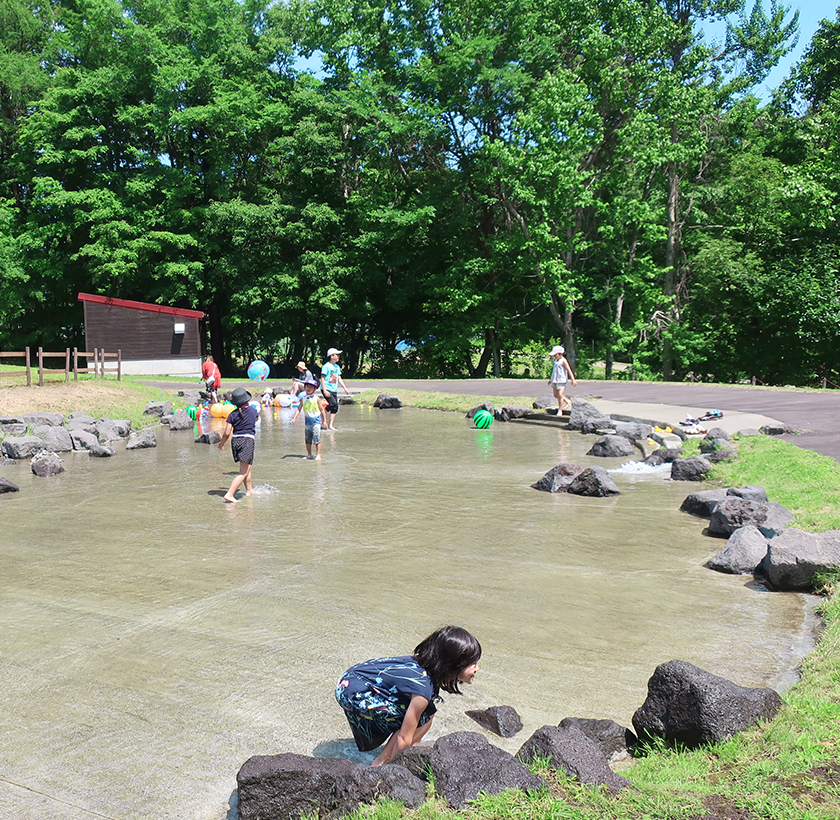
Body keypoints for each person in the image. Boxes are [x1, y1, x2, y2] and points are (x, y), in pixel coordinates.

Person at [335, 626, 481, 766]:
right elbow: (403, 737)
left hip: (352, 680)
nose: (477, 668)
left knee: (427, 715)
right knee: (420, 718)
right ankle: (381, 764)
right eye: (473, 663)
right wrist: (398, 770)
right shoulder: (423, 688)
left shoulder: (425, 665)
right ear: (453, 664)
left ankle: (397, 753)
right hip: (352, 692)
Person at [218, 387, 259, 502]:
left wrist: (221, 444)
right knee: (243, 472)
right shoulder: (253, 411)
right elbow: (255, 419)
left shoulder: (232, 414)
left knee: (248, 467)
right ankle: (230, 494)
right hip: (247, 441)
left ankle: (249, 490)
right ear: (247, 400)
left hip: (236, 441)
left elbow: (227, 433)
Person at [289, 377, 327, 460]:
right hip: (307, 422)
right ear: (304, 387)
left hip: (316, 421)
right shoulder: (303, 398)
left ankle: (318, 454)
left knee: (317, 438)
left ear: (315, 389)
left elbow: (322, 409)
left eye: (311, 387)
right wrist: (294, 418)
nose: (308, 388)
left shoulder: (316, 398)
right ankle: (309, 454)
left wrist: (324, 421)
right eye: (307, 387)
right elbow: (299, 409)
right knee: (307, 439)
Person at [320, 348, 351, 430]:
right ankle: (321, 415)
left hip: (334, 389)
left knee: (335, 407)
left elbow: (339, 378)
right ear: (332, 356)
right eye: (336, 355)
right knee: (332, 403)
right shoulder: (326, 366)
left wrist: (345, 388)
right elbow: (322, 378)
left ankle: (330, 425)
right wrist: (325, 390)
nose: (338, 356)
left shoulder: (337, 367)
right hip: (326, 388)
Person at [548, 344, 577, 414]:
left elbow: (569, 370)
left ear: (560, 354)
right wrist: (551, 379)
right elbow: (554, 371)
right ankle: (567, 401)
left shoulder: (563, 361)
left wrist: (573, 379)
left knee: (560, 395)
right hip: (555, 380)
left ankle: (560, 410)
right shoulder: (556, 361)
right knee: (556, 395)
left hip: (561, 380)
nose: (554, 356)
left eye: (555, 354)